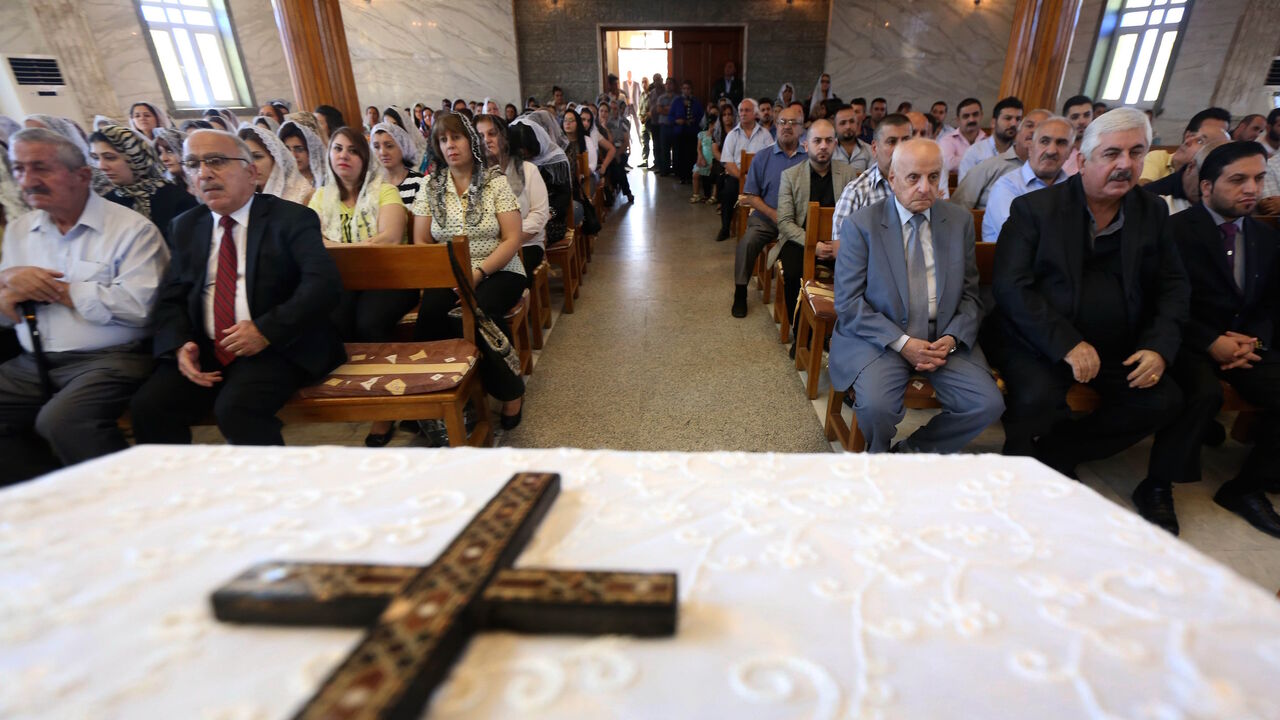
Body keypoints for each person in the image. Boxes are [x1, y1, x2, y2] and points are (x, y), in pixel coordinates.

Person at [991, 108, 1188, 477]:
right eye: (1112, 154)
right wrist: (1066, 343)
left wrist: (1158, 346)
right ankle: (1018, 465)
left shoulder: (1152, 212)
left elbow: (1173, 285)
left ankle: (1062, 451)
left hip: (1118, 344)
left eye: (1136, 152)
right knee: (1037, 398)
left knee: (1162, 400)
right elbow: (1011, 285)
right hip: (1038, 338)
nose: (1125, 164)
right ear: (1082, 160)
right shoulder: (1035, 209)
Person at [129, 129, 344, 447]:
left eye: (216, 161)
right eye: (193, 163)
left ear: (251, 171)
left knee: (237, 409)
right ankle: (178, 493)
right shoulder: (186, 226)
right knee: (149, 407)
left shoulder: (290, 218)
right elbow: (172, 297)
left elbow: (322, 285)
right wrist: (180, 344)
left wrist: (264, 330)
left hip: (279, 343)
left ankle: (269, 494)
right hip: (207, 347)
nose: (204, 173)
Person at [0, 128, 169, 482]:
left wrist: (55, 289)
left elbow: (142, 307)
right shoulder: (19, 231)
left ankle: (129, 504)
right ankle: (49, 502)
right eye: (18, 169)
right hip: (32, 362)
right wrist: (7, 294)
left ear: (82, 175)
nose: (27, 181)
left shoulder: (130, 229)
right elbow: (7, 307)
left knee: (63, 420)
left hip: (112, 359)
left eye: (40, 168)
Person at [1129, 141, 1280, 536]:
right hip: (1186, 339)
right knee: (1201, 393)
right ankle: (1157, 485)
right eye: (1238, 180)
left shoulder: (1265, 238)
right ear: (1208, 187)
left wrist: (1252, 341)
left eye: (1258, 178)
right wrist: (1211, 340)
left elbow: (1268, 303)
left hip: (1243, 344)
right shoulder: (1176, 232)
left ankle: (1246, 488)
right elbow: (1159, 299)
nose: (1251, 188)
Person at [828, 138, 1003, 453]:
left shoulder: (958, 221)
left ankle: (911, 454)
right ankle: (877, 454)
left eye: (934, 177)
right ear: (892, 180)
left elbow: (970, 293)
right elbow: (849, 303)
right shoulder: (862, 225)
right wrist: (903, 343)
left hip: (942, 340)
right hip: (881, 340)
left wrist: (952, 338)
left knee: (986, 404)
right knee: (875, 408)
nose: (926, 188)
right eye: (914, 178)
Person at [411, 112, 525, 431]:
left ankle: (509, 391)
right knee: (431, 314)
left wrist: (476, 274)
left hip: (498, 269)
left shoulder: (494, 182)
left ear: (470, 141)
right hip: (448, 272)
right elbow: (421, 239)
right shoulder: (431, 186)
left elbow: (512, 238)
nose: (450, 145)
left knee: (481, 309)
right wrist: (448, 274)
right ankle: (438, 397)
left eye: (456, 137)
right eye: (443, 140)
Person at [771, 118, 855, 322]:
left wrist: (838, 244)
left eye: (828, 141)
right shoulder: (790, 176)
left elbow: (855, 217)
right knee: (793, 274)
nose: (823, 146)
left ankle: (839, 328)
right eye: (817, 141)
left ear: (835, 144)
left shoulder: (848, 174)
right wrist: (813, 244)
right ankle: (800, 330)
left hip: (839, 242)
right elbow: (784, 221)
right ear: (806, 145)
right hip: (800, 240)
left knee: (858, 273)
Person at [731, 103, 807, 317]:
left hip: (797, 222)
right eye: (782, 122)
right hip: (766, 218)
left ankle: (800, 305)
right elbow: (751, 196)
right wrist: (775, 215)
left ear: (801, 128)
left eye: (793, 123)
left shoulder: (808, 159)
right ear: (776, 125)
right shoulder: (763, 157)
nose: (787, 127)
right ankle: (740, 292)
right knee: (747, 242)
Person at [89, 124, 197, 248]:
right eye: (95, 158)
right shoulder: (104, 203)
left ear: (135, 157)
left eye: (110, 158)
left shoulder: (176, 199)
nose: (101, 166)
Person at [479, 114, 550, 291]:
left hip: (526, 244)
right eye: (480, 136)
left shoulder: (528, 170)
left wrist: (508, 239)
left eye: (492, 134)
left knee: (499, 284)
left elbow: (539, 216)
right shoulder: (476, 176)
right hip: (485, 248)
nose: (486, 140)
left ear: (504, 137)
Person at [981, 116, 1073, 242]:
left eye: (1061, 143)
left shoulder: (1073, 188)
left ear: (1070, 152)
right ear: (1030, 148)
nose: (1051, 151)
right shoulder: (1007, 186)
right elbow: (1019, 239)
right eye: (1044, 141)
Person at [832, 114, 913, 253]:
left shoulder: (922, 188)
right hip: (873, 270)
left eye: (905, 141)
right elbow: (842, 250)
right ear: (875, 148)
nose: (900, 148)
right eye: (892, 142)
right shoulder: (857, 191)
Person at [953, 109, 1049, 210]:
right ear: (1018, 132)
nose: (1034, 131)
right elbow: (957, 210)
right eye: (1029, 125)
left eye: (1042, 128)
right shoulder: (989, 167)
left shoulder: (1058, 177)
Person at [716, 98, 775, 242]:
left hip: (760, 179)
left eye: (747, 110)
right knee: (728, 191)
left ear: (755, 114)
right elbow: (727, 162)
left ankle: (765, 227)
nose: (743, 113)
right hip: (737, 177)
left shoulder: (765, 134)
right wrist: (743, 178)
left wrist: (756, 178)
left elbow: (771, 158)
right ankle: (725, 228)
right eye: (741, 110)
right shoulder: (732, 135)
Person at [1140, 108, 1231, 190]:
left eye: (1200, 141)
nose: (1187, 141)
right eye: (1192, 136)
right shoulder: (1159, 157)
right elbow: (1141, 192)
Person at [237, 125, 314, 206]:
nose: (251, 166)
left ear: (276, 159)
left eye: (257, 157)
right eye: (246, 159)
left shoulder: (304, 195)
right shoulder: (243, 196)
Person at [958, 97, 1023, 181]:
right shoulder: (974, 153)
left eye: (1018, 119)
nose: (1014, 124)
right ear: (993, 122)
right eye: (1008, 118)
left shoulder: (1022, 154)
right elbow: (965, 191)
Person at [370, 121, 426, 208]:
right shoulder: (372, 185)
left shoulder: (420, 183)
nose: (382, 152)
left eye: (389, 146)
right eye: (376, 147)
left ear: (403, 147)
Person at [669, 80, 703, 185]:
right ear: (681, 90)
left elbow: (701, 116)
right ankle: (681, 175)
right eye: (684, 88)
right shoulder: (677, 101)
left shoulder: (696, 102)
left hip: (692, 132)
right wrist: (676, 120)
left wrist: (694, 120)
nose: (686, 90)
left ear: (691, 90)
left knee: (691, 154)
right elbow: (670, 116)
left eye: (688, 88)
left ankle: (690, 175)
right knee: (680, 154)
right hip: (679, 132)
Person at [937, 98, 985, 173]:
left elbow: (994, 165)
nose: (971, 119)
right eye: (966, 116)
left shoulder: (989, 140)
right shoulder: (947, 140)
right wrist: (982, 160)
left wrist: (960, 160)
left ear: (981, 116)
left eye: (975, 115)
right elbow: (949, 164)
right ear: (958, 120)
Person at [278, 119, 327, 190]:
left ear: (311, 150)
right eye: (287, 150)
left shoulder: (325, 180)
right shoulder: (281, 184)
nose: (293, 155)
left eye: (299, 149)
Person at [832, 104, 873, 175]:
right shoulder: (829, 150)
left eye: (852, 121)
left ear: (857, 123)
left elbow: (873, 179)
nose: (848, 126)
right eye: (843, 123)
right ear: (835, 126)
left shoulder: (869, 150)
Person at [1061, 95, 1095, 176]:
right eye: (1075, 117)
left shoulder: (1100, 150)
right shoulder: (1057, 151)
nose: (1082, 121)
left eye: (1087, 115)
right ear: (1065, 121)